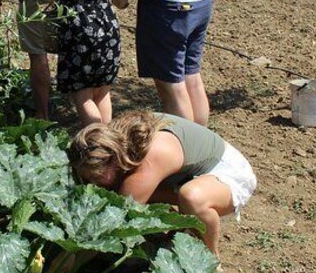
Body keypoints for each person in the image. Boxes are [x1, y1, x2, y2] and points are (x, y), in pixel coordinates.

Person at [72, 111, 256, 258]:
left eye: (96, 176)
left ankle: (210, 259)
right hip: (186, 175)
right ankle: (180, 229)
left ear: (114, 161)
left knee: (191, 197)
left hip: (228, 171)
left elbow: (112, 219)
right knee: (136, 194)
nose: (92, 182)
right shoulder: (107, 140)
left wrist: (70, 258)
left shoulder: (152, 160)